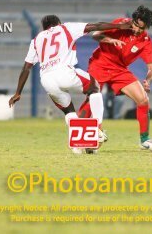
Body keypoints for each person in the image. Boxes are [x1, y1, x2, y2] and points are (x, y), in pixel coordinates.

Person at [8, 15, 131, 154]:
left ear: (44, 28)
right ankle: (97, 129)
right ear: (58, 23)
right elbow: (96, 26)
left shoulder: (36, 40)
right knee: (95, 87)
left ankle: (77, 146)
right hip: (64, 71)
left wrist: (18, 92)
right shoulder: (66, 27)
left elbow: (26, 68)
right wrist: (119, 26)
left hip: (47, 79)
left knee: (68, 111)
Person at [78, 6, 152, 151]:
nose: (136, 29)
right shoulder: (121, 24)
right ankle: (84, 139)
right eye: (135, 24)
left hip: (119, 70)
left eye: (141, 28)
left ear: (146, 27)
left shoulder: (146, 41)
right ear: (134, 20)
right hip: (100, 64)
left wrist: (148, 81)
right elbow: (96, 35)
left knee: (143, 99)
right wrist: (110, 40)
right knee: (91, 100)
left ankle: (145, 140)